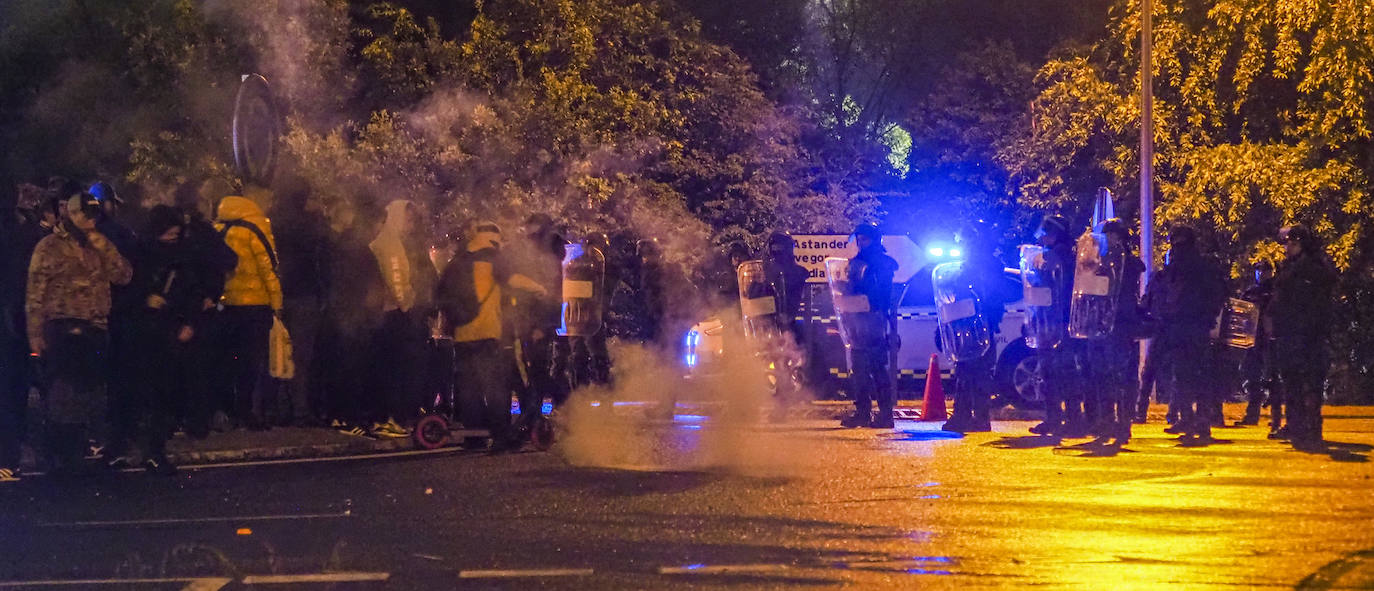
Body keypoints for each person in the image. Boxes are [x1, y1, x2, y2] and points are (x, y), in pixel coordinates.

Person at [26, 193, 132, 475]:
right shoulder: (48, 247)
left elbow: (123, 275)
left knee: (92, 390)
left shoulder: (99, 243)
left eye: (93, 214)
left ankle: (80, 449)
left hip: (95, 325)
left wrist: (103, 246)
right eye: (85, 214)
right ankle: (59, 453)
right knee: (64, 391)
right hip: (61, 326)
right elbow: (35, 294)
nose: (90, 219)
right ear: (70, 214)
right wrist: (35, 334)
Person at [109, 206, 207, 475]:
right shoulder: (140, 255)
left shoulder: (184, 256)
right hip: (141, 332)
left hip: (169, 331)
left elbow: (193, 291)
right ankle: (125, 446)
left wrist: (189, 322)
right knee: (138, 392)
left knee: (163, 393)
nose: (172, 238)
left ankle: (154, 448)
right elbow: (122, 290)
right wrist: (144, 300)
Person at [438, 221, 546, 452]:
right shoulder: (494, 259)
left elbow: (440, 294)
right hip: (489, 331)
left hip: (462, 334)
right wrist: (539, 288)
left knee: (469, 387)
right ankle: (500, 436)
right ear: (495, 239)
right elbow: (513, 280)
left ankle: (473, 436)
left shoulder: (456, 263)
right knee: (495, 386)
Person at [1150, 225, 1227, 445]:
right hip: (1195, 328)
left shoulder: (1180, 268)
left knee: (1184, 377)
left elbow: (1164, 295)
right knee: (1197, 376)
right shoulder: (1202, 267)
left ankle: (1191, 420)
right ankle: (1198, 422)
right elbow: (1218, 293)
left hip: (1182, 328)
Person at [367, 200, 438, 437]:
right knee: (396, 369)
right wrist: (408, 303)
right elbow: (396, 278)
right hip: (394, 313)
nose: (410, 224)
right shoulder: (390, 244)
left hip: (389, 313)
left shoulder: (392, 242)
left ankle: (390, 416)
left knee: (391, 368)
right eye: (407, 219)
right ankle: (391, 419)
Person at [214, 194, 283, 430]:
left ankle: (227, 410)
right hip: (255, 305)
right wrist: (276, 302)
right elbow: (268, 267)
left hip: (225, 305)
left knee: (227, 360)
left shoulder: (218, 228)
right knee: (251, 361)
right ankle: (247, 412)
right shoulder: (257, 227)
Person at [943, 220, 1016, 433]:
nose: (961, 243)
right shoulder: (973, 264)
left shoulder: (985, 265)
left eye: (964, 239)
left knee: (978, 371)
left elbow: (987, 296)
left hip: (980, 322)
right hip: (966, 321)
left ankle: (980, 417)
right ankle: (963, 415)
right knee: (965, 369)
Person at [1268, 225, 1337, 450]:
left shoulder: (1309, 269)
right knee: (1297, 383)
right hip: (1294, 334)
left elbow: (1312, 303)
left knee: (1306, 384)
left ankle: (1307, 429)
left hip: (1304, 335)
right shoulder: (1297, 267)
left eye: (1292, 243)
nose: (1287, 247)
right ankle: (1300, 428)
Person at [1079, 220, 1145, 444]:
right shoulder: (1098, 262)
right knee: (1102, 375)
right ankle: (1107, 422)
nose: (1107, 240)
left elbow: (1134, 273)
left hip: (1121, 325)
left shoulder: (1129, 263)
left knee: (1123, 376)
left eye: (1111, 236)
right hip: (1099, 323)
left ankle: (1124, 423)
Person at [1, 189, 46, 482]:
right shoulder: (28, 236)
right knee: (13, 391)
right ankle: (11, 455)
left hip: (14, 321)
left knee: (10, 390)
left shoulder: (21, 236)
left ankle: (8, 456)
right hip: (18, 321)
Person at [838, 224, 898, 429]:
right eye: (860, 239)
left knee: (877, 367)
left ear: (875, 240)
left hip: (874, 320)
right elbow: (846, 287)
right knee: (859, 368)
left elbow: (882, 294)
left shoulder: (884, 264)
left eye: (866, 239)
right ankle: (862, 412)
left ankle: (885, 414)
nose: (862, 243)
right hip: (855, 320)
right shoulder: (855, 263)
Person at [1027, 215, 1077, 437]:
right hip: (1055, 320)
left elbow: (1046, 289)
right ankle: (1066, 419)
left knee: (1057, 373)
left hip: (1056, 322)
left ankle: (1060, 419)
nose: (1042, 238)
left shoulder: (1058, 257)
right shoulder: (1066, 255)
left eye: (1046, 234)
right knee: (1059, 373)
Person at [1236, 258, 1275, 428]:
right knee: (1251, 375)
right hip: (1251, 340)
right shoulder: (1250, 292)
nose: (1261, 273)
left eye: (1264, 270)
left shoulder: (1274, 290)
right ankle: (1252, 414)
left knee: (1273, 377)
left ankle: (1277, 419)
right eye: (1258, 270)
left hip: (1270, 339)